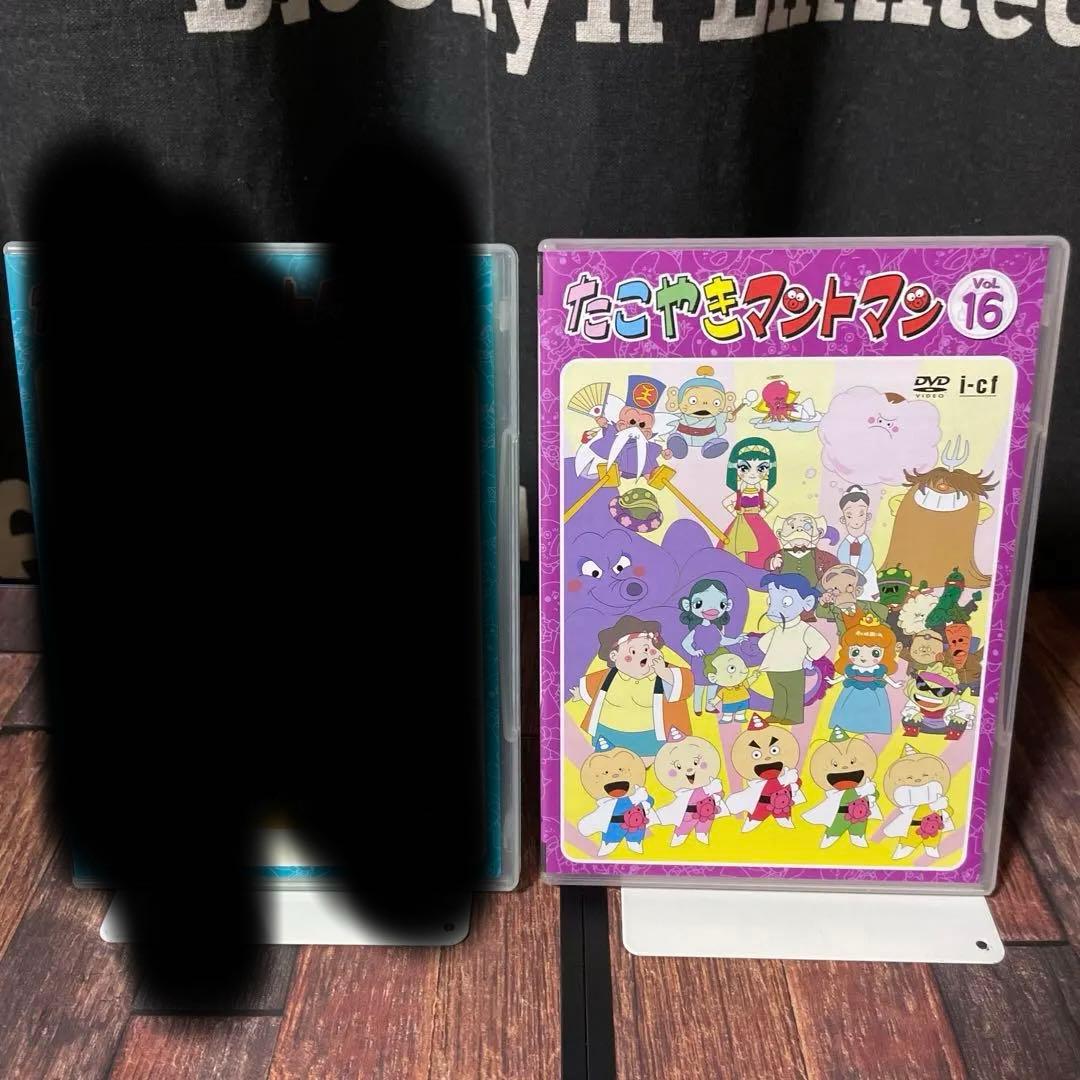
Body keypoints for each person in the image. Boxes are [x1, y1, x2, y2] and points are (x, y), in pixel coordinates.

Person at [756, 573, 829, 725]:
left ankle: (794, 716)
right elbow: (763, 644)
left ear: (807, 603)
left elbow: (822, 645)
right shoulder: (777, 629)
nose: (774, 609)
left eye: (786, 602)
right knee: (779, 693)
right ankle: (777, 714)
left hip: (793, 668)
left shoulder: (803, 629)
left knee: (794, 694)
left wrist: (808, 658)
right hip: (774, 668)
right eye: (771, 601)